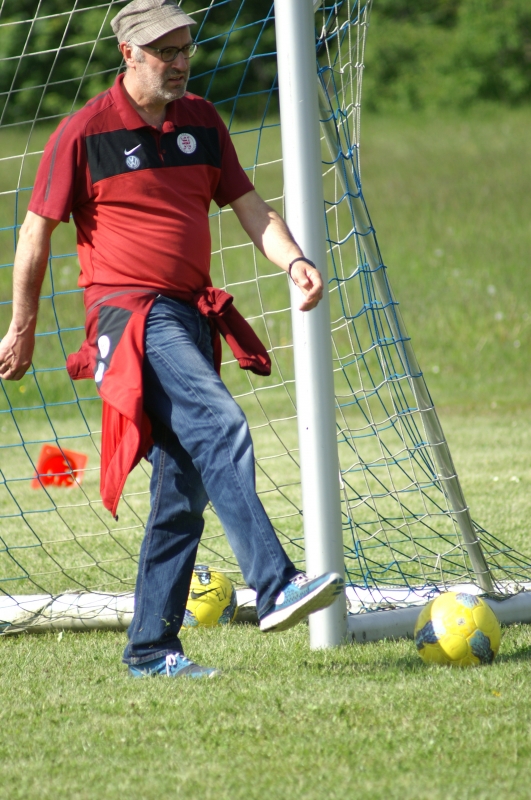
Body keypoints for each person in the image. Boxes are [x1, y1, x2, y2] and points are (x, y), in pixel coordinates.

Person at [0, 0, 343, 678]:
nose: (183, 63)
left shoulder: (204, 122)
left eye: (187, 49)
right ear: (130, 55)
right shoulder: (83, 132)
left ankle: (151, 648)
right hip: (128, 320)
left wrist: (295, 261)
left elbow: (249, 205)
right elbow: (35, 233)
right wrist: (22, 326)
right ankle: (274, 583)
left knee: (183, 487)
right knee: (219, 423)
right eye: (168, 53)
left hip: (187, 317)